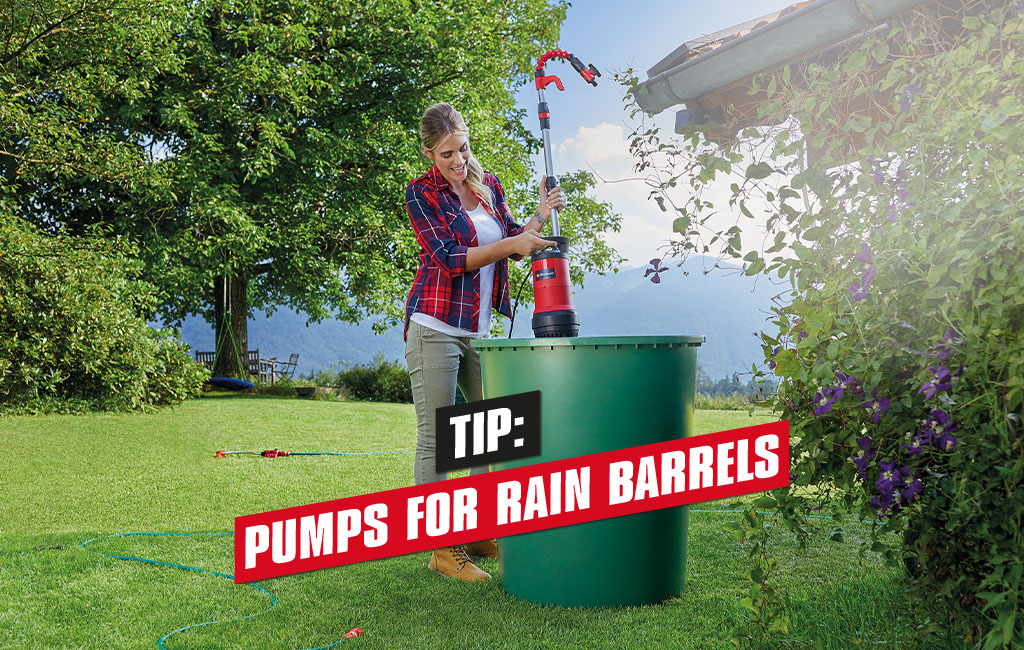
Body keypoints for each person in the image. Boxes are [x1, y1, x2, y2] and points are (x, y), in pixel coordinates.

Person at [404, 102, 566, 582]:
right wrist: (512, 244)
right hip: (434, 325)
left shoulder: (488, 184)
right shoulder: (421, 194)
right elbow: (452, 258)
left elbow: (515, 237)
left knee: (490, 437)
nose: (457, 161)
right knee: (438, 440)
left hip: (478, 330)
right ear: (430, 153)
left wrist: (539, 215)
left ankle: (475, 531)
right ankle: (442, 549)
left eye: (463, 148)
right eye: (446, 154)